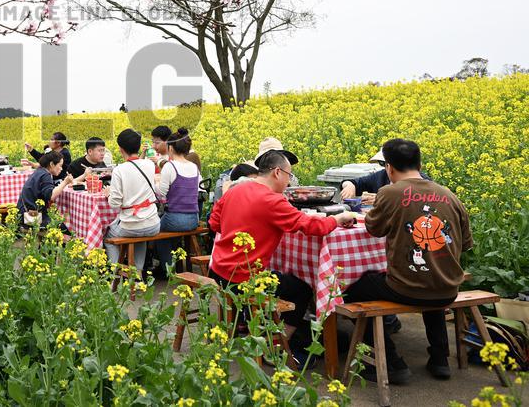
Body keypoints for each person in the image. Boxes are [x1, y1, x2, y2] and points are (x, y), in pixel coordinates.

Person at [209, 148, 357, 365]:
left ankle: (274, 331)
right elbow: (311, 226)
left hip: (219, 270)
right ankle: (275, 347)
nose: (289, 182)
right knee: (301, 289)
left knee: (283, 279)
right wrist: (338, 218)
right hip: (244, 278)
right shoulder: (272, 200)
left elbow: (214, 223)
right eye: (289, 176)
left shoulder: (235, 190)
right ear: (277, 172)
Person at [343, 139, 472, 383]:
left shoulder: (389, 192)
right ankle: (440, 358)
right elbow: (465, 244)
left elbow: (374, 228)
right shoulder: (450, 195)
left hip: (405, 288)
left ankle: (391, 362)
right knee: (430, 274)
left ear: (388, 168)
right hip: (448, 289)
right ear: (420, 163)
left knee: (352, 290)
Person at [103, 129, 161, 274]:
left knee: (108, 235)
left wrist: (108, 194)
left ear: (121, 149)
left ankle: (115, 273)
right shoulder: (149, 165)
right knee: (140, 236)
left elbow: (114, 203)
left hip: (130, 227)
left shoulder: (119, 170)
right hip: (153, 225)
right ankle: (137, 273)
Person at [153, 128, 202, 273]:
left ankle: (167, 270)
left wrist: (153, 184)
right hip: (193, 219)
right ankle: (176, 265)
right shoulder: (193, 167)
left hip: (174, 219)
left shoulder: (170, 166)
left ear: (171, 148)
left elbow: (161, 195)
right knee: (168, 231)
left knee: (155, 232)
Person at [340, 149, 431, 203]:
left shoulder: (421, 180)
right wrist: (349, 186)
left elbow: (417, 202)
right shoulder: (381, 176)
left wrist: (383, 200)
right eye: (382, 164)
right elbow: (356, 182)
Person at [16, 151, 70, 227]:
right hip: (31, 217)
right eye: (60, 165)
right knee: (65, 227)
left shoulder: (39, 171)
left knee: (60, 222)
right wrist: (65, 182)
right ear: (51, 164)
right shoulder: (46, 175)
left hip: (23, 213)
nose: (61, 169)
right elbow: (51, 196)